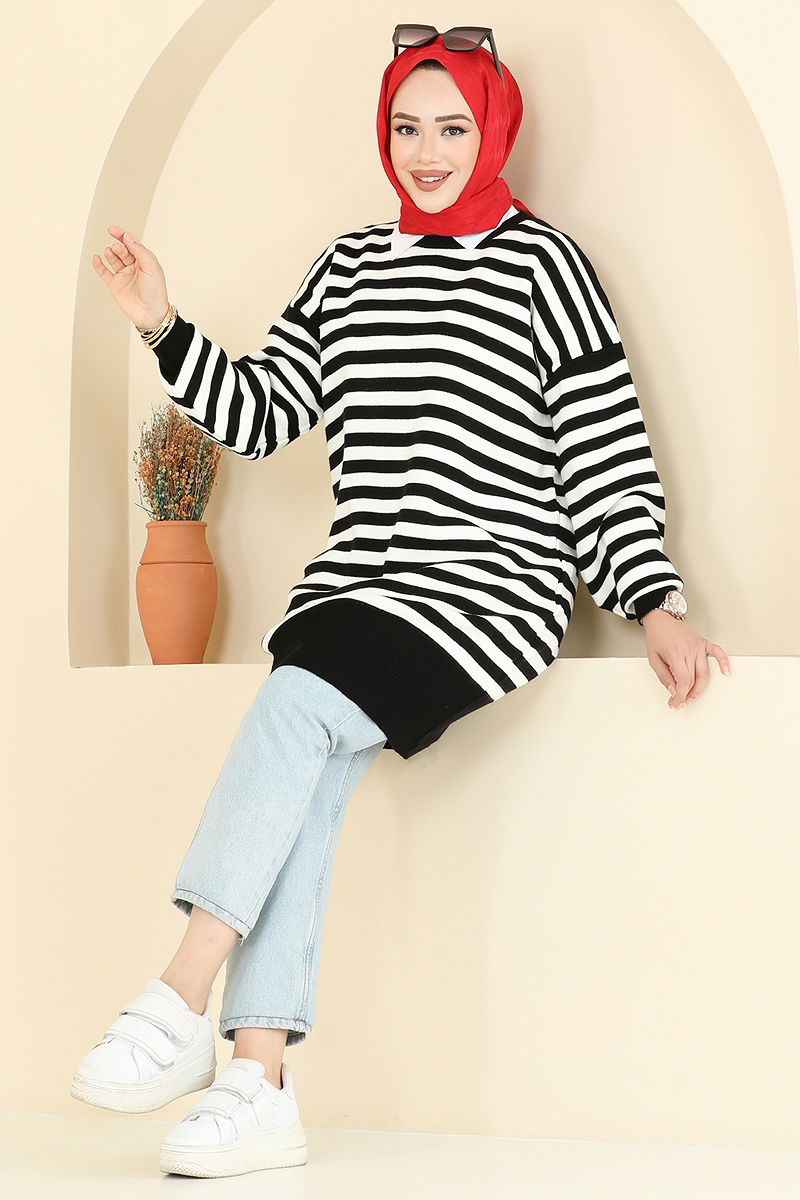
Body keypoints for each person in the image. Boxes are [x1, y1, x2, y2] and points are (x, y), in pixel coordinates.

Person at [73, 26, 730, 1179]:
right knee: (308, 768)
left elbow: (602, 450)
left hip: (489, 589)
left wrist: (651, 600)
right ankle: (258, 1083)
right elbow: (265, 413)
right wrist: (159, 323)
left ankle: (180, 992)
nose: (426, 152)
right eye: (406, 128)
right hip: (356, 588)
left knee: (293, 703)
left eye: (452, 128)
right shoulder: (348, 268)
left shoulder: (545, 269)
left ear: (492, 132)